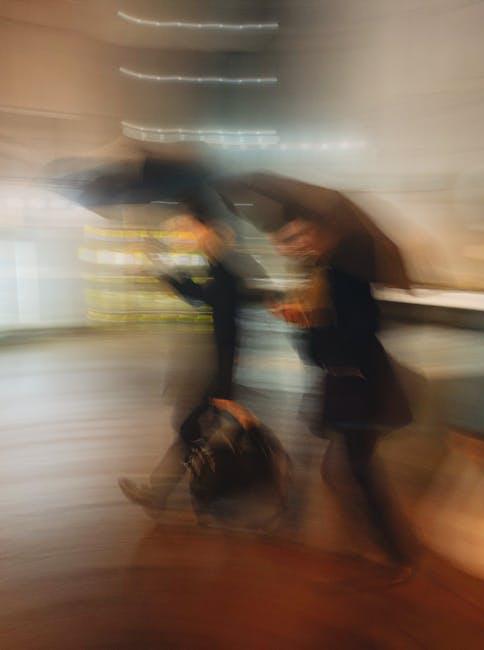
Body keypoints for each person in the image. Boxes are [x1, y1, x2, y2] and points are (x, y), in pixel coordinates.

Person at [269, 214, 414, 568]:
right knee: (343, 470)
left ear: (326, 232)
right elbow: (325, 346)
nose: (299, 242)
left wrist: (311, 324)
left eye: (305, 233)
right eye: (293, 236)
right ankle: (379, 545)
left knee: (356, 469)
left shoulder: (341, 276)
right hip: (347, 384)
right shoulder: (324, 274)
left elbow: (361, 331)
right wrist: (306, 321)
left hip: (359, 385)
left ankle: (395, 552)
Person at [118, 215, 273, 511]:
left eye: (206, 238)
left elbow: (220, 319)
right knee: (195, 430)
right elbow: (198, 294)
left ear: (222, 241)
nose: (201, 242)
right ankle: (183, 490)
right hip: (219, 367)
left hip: (221, 368)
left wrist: (224, 382)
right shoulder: (221, 271)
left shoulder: (227, 275)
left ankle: (232, 483)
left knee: (196, 429)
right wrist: (162, 269)